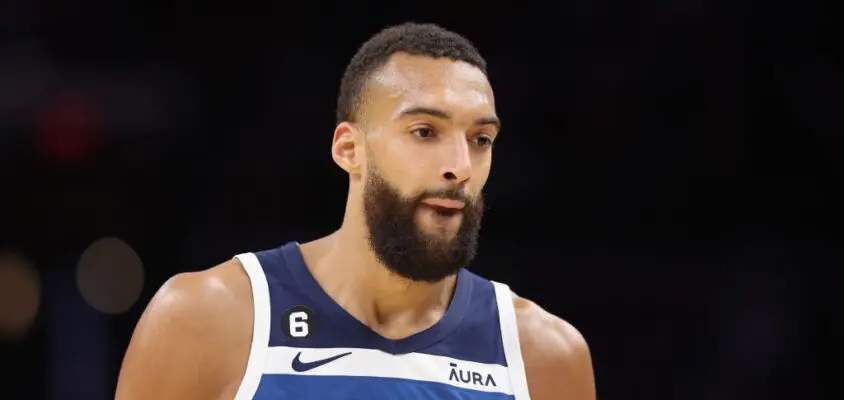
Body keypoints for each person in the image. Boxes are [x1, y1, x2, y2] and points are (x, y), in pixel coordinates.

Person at [115, 22, 596, 400]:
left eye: (480, 139)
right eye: (424, 131)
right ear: (349, 149)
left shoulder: (545, 356)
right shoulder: (206, 319)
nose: (459, 167)